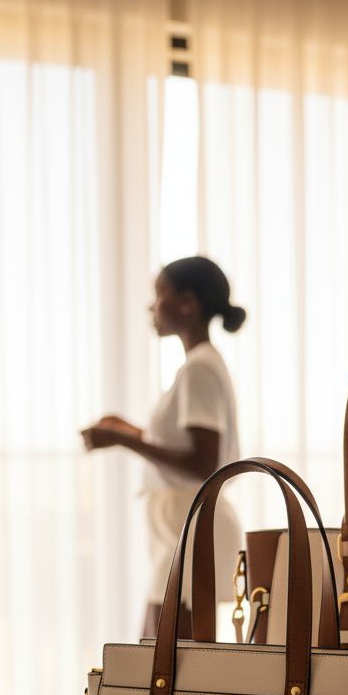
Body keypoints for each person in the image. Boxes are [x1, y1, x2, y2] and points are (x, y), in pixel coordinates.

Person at [81, 256, 245, 637]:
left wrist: (123, 440)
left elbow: (205, 462)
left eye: (159, 294)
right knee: (163, 653)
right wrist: (132, 434)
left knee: (167, 659)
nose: (150, 306)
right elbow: (189, 448)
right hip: (180, 526)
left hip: (191, 526)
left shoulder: (199, 369)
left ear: (187, 302)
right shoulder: (200, 365)